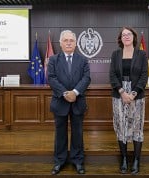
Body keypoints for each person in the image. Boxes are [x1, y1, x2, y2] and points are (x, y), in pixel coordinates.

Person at [47, 30, 91, 175]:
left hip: (78, 102)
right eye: (65, 40)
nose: (68, 43)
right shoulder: (53, 59)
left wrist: (75, 93)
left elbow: (86, 78)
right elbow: (51, 78)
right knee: (60, 133)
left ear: (76, 43)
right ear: (60, 43)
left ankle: (77, 161)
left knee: (77, 133)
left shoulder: (83, 59)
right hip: (60, 102)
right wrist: (65, 93)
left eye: (71, 40)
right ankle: (59, 161)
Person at [109, 27, 148, 175]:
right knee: (121, 126)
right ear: (120, 38)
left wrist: (133, 93)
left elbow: (144, 75)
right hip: (119, 94)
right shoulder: (115, 54)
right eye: (123, 35)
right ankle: (124, 158)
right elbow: (112, 75)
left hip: (136, 94)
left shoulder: (141, 54)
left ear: (133, 37)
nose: (126, 36)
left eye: (129, 34)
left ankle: (137, 160)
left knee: (137, 127)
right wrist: (122, 92)